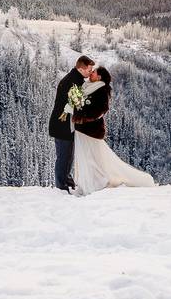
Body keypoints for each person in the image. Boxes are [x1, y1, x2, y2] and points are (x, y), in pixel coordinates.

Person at [71, 66, 155, 196]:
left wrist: (82, 118)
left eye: (94, 72)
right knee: (84, 156)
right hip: (81, 129)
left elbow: (101, 110)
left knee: (91, 158)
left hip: (91, 130)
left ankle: (94, 183)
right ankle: (86, 183)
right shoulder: (87, 86)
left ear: (99, 77)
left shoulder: (101, 90)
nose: (91, 73)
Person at [48, 55, 95, 191]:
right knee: (63, 156)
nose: (91, 72)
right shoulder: (73, 82)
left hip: (64, 125)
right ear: (81, 68)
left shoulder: (75, 79)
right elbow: (77, 105)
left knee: (67, 156)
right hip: (62, 126)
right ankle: (61, 186)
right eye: (89, 69)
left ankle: (66, 182)